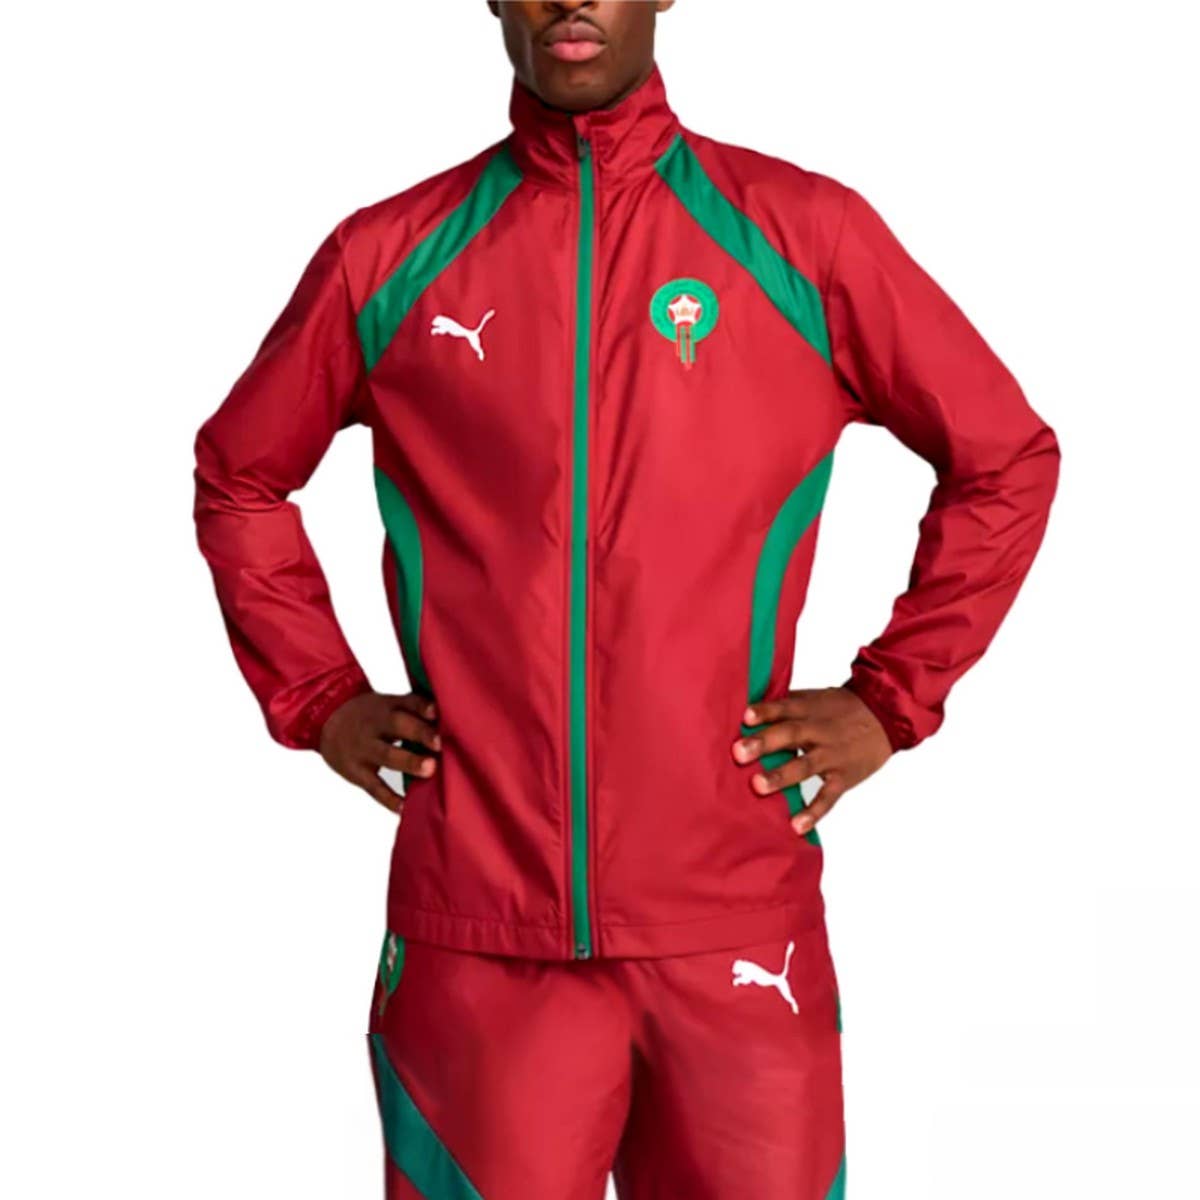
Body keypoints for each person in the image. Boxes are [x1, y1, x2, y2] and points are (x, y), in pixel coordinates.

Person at [192, 2, 1060, 1196]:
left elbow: (1005, 457)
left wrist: (891, 699)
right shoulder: (391, 254)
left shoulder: (802, 235)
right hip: (479, 931)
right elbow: (240, 474)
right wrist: (319, 696)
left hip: (734, 927)